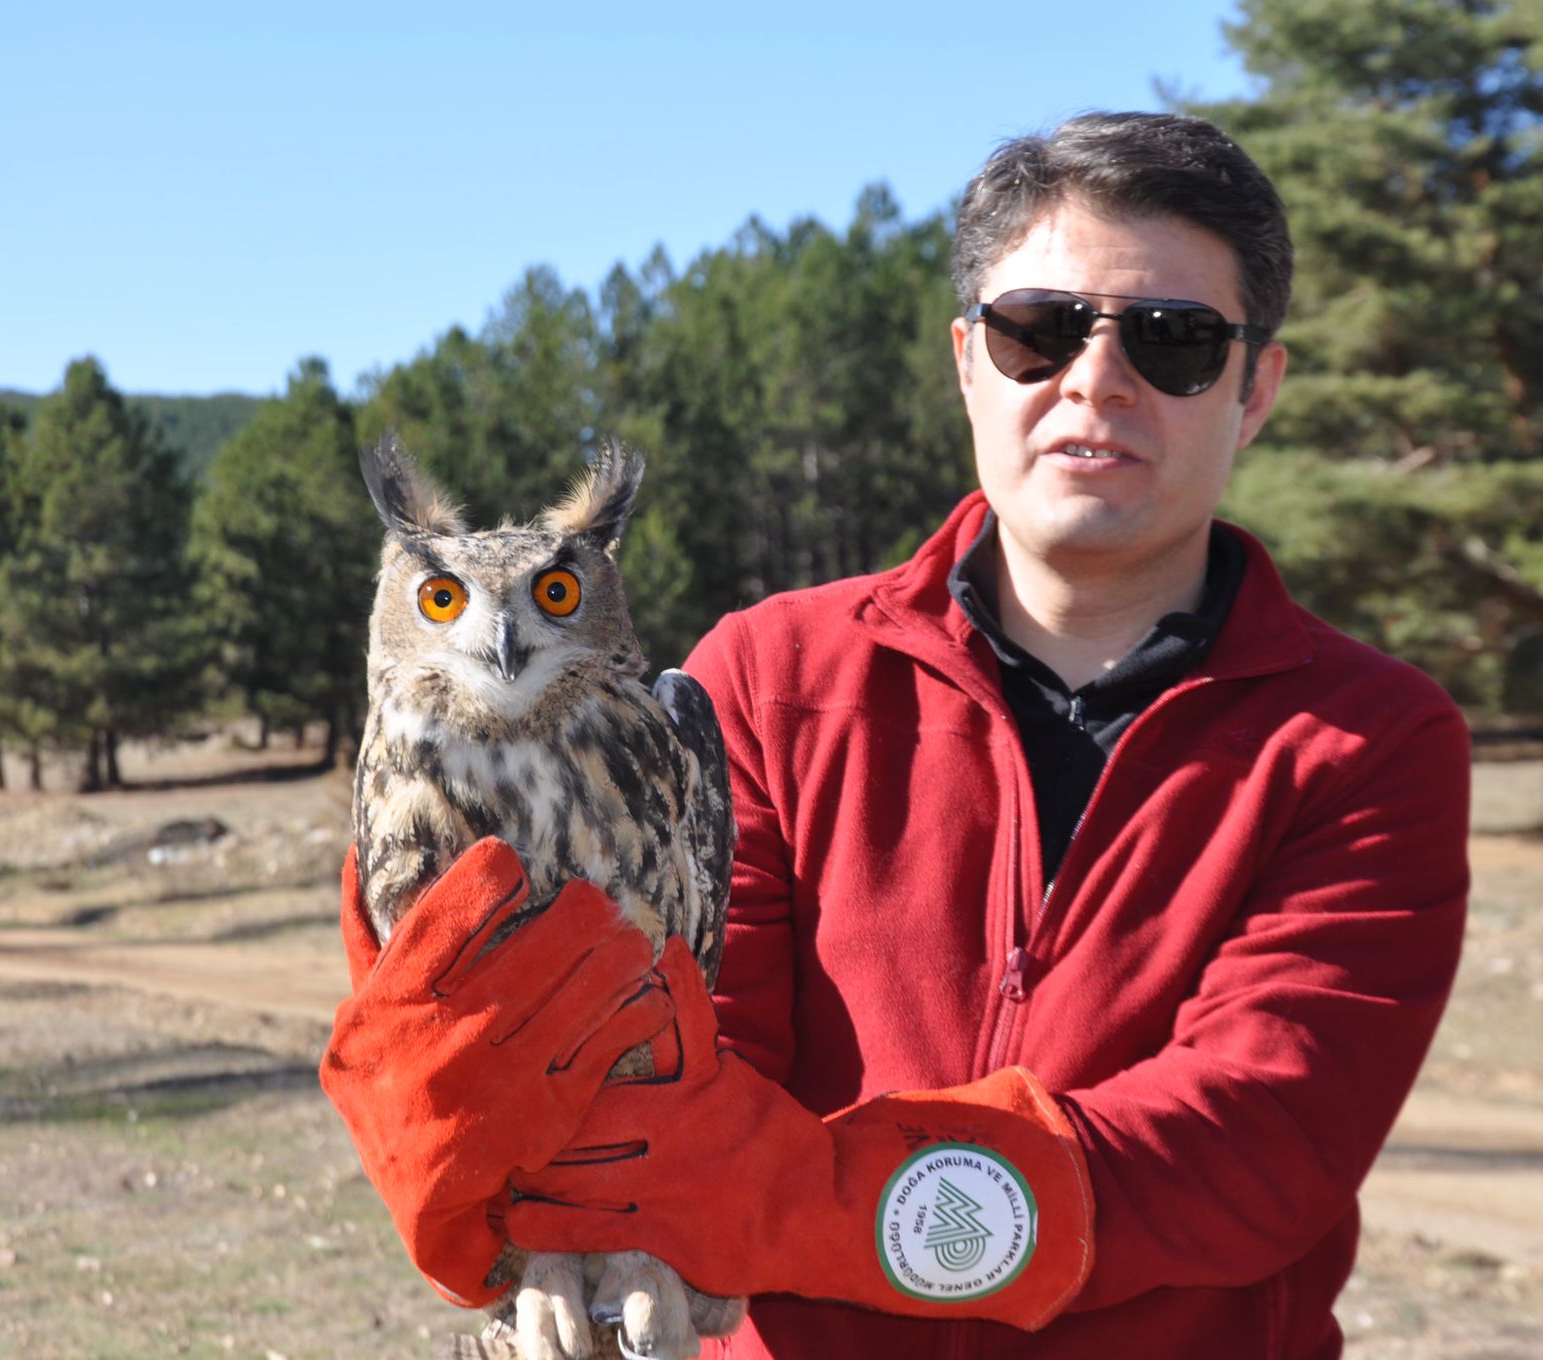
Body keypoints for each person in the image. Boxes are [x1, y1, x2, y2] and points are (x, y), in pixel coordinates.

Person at [325, 110, 1470, 1359]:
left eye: (1174, 340)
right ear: (969, 361)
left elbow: (1251, 1143)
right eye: (1039, 330)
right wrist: (556, 1214)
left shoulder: (1364, 740)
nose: (1095, 378)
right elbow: (685, 1044)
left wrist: (812, 1201)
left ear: (1255, 388)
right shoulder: (766, 678)